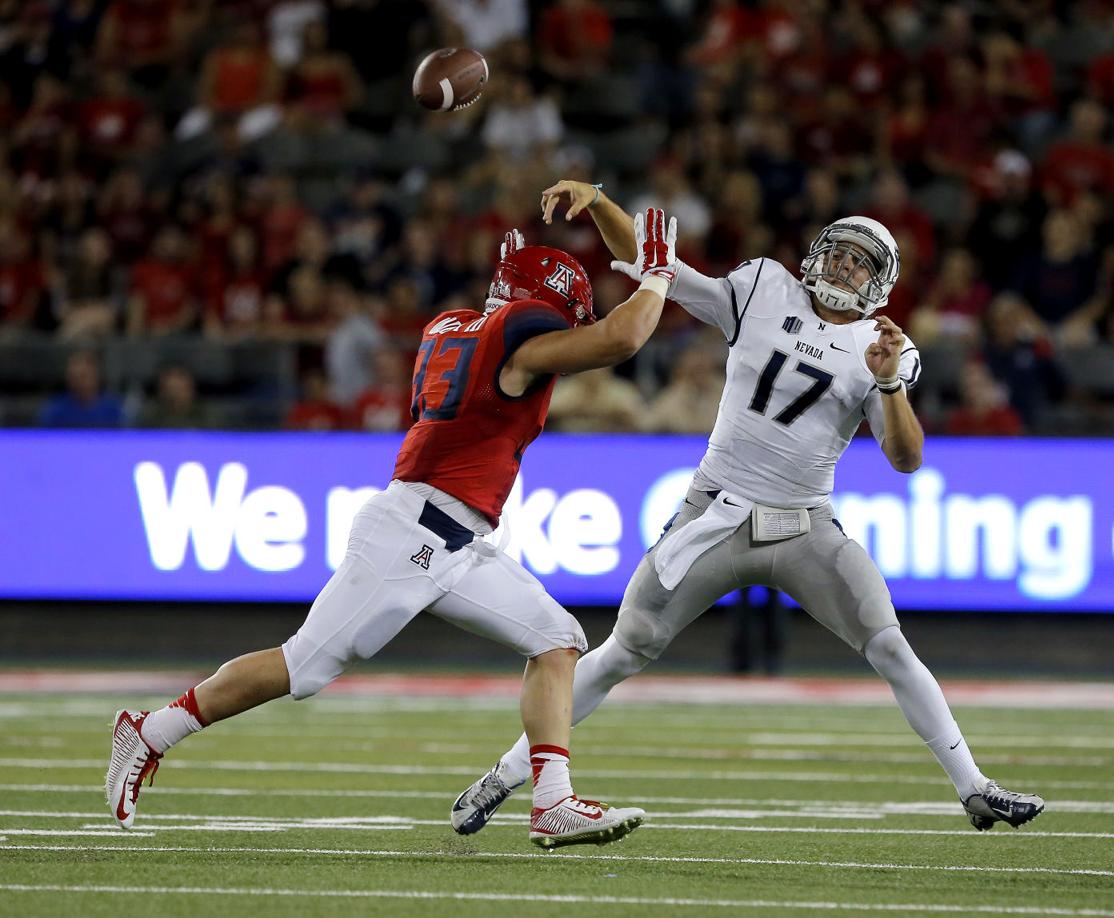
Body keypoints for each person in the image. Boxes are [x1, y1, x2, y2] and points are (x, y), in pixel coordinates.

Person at [451, 180, 1045, 838]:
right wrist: (597, 203)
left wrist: (886, 384)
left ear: (880, 283)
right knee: (623, 650)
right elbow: (665, 273)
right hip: (717, 515)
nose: (846, 268)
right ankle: (505, 776)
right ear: (818, 252)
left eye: (861, 263)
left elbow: (906, 459)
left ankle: (975, 788)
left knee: (889, 644)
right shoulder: (765, 286)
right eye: (841, 253)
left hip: (806, 528)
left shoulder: (883, 346)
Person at [107, 210, 684, 849]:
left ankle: (552, 801)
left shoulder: (448, 326)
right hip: (415, 532)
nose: (569, 330)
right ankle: (152, 730)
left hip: (457, 537)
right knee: (304, 668)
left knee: (557, 639)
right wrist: (656, 271)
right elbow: (621, 339)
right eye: (565, 314)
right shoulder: (517, 340)